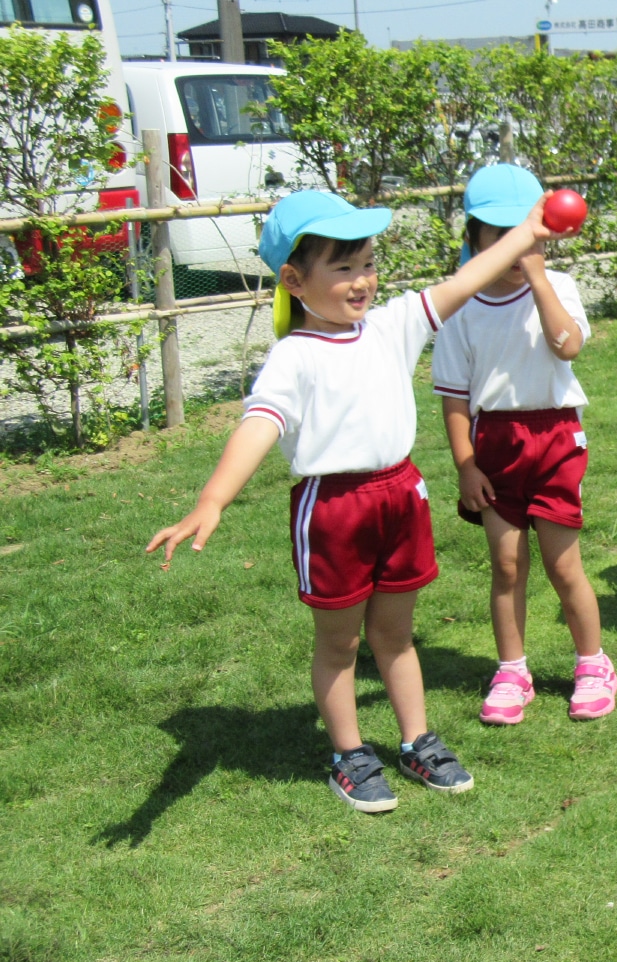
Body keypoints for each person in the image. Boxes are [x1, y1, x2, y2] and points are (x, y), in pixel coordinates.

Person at [147, 189, 576, 813]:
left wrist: (526, 231)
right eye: (343, 268)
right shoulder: (293, 357)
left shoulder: (391, 326)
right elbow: (259, 424)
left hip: (400, 495)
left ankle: (417, 740)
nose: (361, 281)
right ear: (294, 280)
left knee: (397, 636)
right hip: (334, 510)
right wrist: (212, 500)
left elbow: (466, 280)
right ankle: (349, 755)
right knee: (340, 643)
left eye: (368, 264)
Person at [431, 165, 617, 727]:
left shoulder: (557, 287)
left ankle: (593, 664)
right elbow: (455, 400)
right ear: (474, 240)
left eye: (525, 235)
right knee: (506, 564)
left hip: (557, 436)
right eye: (497, 237)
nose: (513, 249)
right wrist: (466, 465)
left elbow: (568, 347)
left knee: (564, 566)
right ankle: (511, 670)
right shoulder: (457, 307)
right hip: (495, 443)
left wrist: (538, 279)